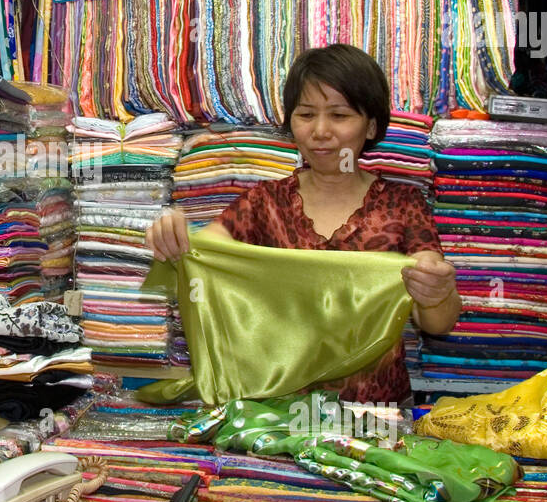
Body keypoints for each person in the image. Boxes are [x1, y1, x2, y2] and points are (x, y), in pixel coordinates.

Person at [146, 44, 460, 404]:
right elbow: (199, 257)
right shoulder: (265, 203)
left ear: (371, 125)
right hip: (275, 412)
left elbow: (438, 323)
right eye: (306, 114)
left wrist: (438, 292)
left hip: (375, 415)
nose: (320, 131)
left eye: (340, 116)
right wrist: (172, 233)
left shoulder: (403, 206)